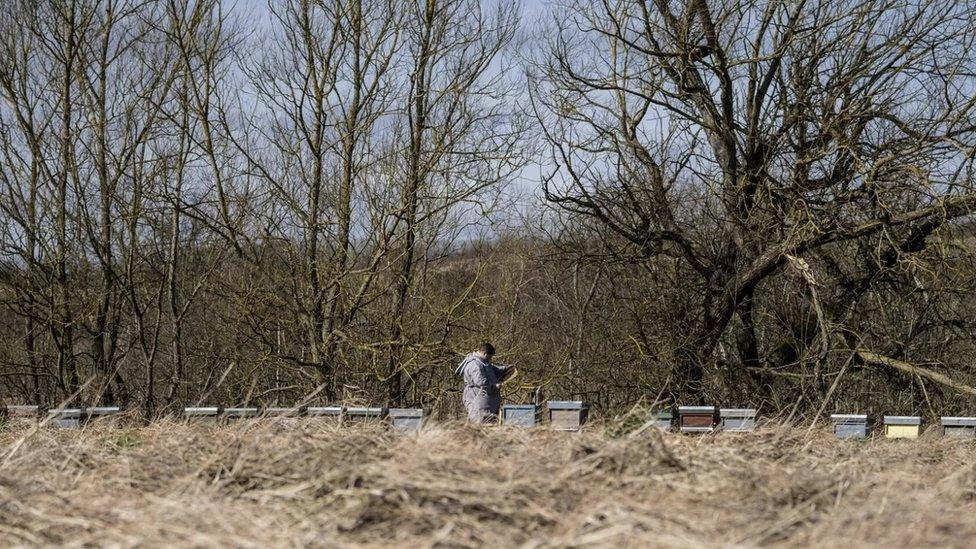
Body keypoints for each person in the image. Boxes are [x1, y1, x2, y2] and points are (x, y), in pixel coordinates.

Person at [456, 342, 512, 424]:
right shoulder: (475, 364)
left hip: (487, 404)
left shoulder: (483, 362)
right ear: (484, 353)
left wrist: (506, 369)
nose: (490, 359)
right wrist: (495, 387)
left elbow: (494, 369)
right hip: (478, 402)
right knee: (480, 427)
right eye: (490, 356)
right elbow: (481, 383)